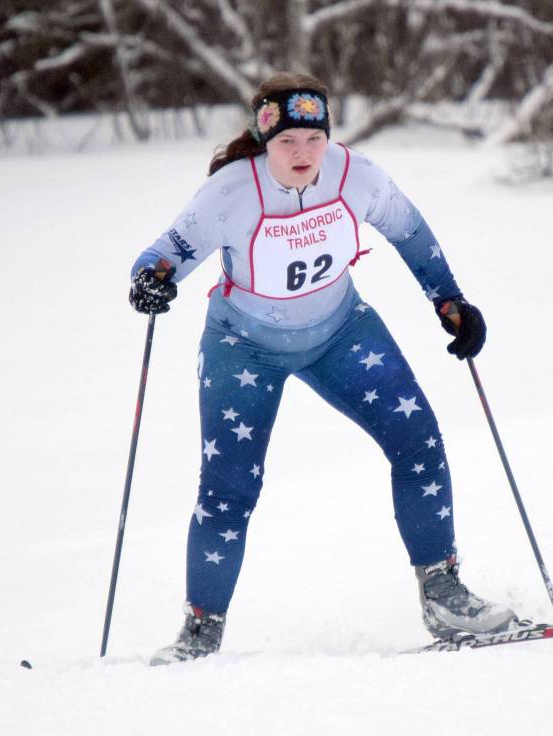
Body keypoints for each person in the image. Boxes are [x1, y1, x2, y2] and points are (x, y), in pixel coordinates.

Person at [129, 72, 517, 666]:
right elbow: (167, 253)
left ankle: (444, 595)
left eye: (314, 139)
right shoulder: (231, 192)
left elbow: (409, 231)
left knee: (419, 441)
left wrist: (449, 299)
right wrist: (150, 281)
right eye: (287, 142)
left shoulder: (354, 174)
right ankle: (199, 632)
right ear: (265, 142)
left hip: (341, 332)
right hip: (244, 347)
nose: (303, 154)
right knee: (230, 488)